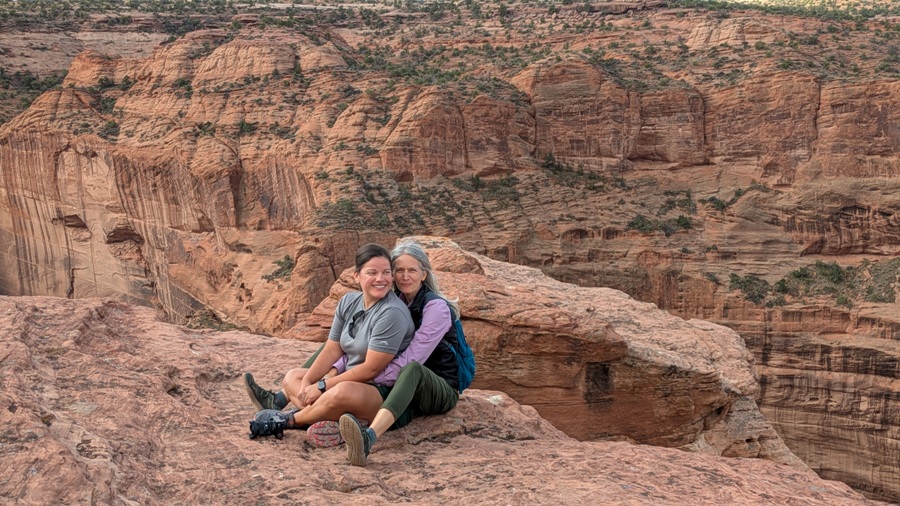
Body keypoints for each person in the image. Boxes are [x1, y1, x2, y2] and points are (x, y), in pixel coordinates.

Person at [247, 243, 415, 436]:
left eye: (386, 272)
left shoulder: (392, 313)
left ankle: (289, 420)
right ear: (357, 275)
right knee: (293, 377)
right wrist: (308, 382)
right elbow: (332, 349)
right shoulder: (348, 301)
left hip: (379, 391)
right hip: (346, 381)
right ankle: (333, 418)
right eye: (372, 273)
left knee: (341, 392)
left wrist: (322, 386)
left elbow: (371, 369)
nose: (380, 279)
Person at [339, 239, 462, 466]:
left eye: (412, 270)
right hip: (404, 388)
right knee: (338, 345)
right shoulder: (394, 304)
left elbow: (412, 359)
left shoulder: (436, 308)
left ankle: (368, 438)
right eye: (399, 270)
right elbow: (361, 344)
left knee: (412, 369)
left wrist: (368, 376)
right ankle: (292, 403)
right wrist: (336, 371)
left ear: (423, 274)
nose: (405, 276)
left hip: (439, 387)